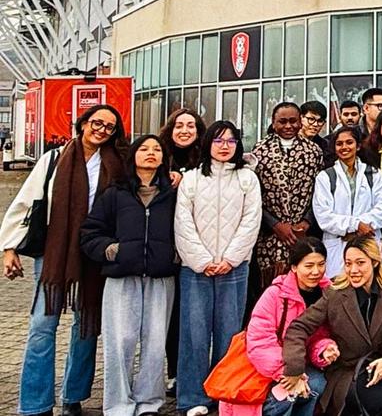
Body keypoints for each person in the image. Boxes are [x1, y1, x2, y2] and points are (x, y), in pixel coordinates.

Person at [2, 104, 126, 416]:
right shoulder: (54, 160)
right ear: (83, 123)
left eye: (110, 127)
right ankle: (35, 403)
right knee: (42, 326)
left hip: (95, 254)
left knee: (86, 328)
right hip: (55, 254)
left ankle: (74, 396)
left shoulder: (117, 164)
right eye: (97, 122)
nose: (102, 130)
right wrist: (9, 247)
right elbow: (26, 203)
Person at [80, 134, 180, 416]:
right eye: (144, 149)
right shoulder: (116, 193)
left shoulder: (172, 194)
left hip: (161, 278)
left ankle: (149, 402)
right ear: (133, 156)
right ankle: (119, 404)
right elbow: (90, 232)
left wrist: (175, 255)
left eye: (157, 149)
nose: (151, 153)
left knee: (155, 341)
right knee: (120, 341)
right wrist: (112, 250)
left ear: (163, 158)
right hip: (122, 278)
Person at [174, 121, 262, 416]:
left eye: (231, 141)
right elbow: (183, 224)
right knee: (194, 333)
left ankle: (224, 392)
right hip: (196, 269)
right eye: (218, 140)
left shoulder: (248, 179)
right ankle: (192, 397)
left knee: (229, 333)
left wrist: (230, 259)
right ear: (207, 143)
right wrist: (202, 260)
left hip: (234, 268)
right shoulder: (192, 179)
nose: (225, 146)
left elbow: (251, 221)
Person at [281, 237, 382, 416]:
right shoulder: (335, 293)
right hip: (350, 370)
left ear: (375, 262)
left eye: (360, 263)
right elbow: (298, 327)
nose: (353, 270)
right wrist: (295, 368)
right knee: (376, 400)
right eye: (348, 263)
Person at [236, 238, 338, 416]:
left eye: (321, 264)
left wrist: (324, 349)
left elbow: (317, 337)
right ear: (294, 267)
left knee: (317, 384)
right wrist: (289, 373)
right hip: (268, 368)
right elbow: (260, 342)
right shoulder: (275, 294)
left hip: (299, 364)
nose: (316, 271)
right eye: (309, 266)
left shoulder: (328, 294)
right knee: (290, 392)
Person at [158, 107, 206, 389]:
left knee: (194, 316)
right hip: (167, 247)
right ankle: (175, 372)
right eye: (179, 125)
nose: (185, 130)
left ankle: (199, 372)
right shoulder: (160, 158)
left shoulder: (206, 160)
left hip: (200, 246)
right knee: (173, 315)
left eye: (191, 125)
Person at [255, 103, 325, 284]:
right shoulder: (260, 151)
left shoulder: (314, 151)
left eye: (293, 121)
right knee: (273, 287)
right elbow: (254, 196)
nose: (288, 126)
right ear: (273, 122)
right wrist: (276, 225)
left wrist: (306, 222)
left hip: (303, 232)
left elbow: (320, 192)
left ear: (300, 121)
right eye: (282, 121)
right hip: (271, 235)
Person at [313, 125, 382, 279]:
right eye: (339, 144)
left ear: (358, 145)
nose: (344, 147)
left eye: (349, 142)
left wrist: (361, 228)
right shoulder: (326, 177)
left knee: (369, 284)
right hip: (337, 245)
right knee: (339, 293)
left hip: (368, 241)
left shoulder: (373, 174)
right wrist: (355, 225)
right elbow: (324, 216)